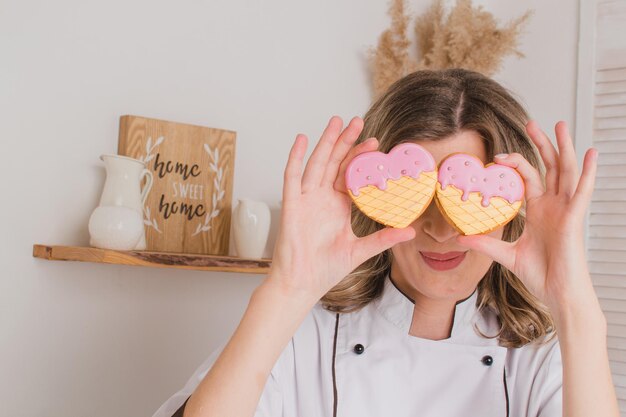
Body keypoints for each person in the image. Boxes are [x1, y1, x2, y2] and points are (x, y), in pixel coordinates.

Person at [152, 69, 619, 417]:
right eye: (416, 195)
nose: (440, 229)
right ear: (372, 199)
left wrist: (575, 306)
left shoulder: (541, 359)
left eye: (465, 199)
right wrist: (286, 290)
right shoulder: (297, 332)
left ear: (510, 212)